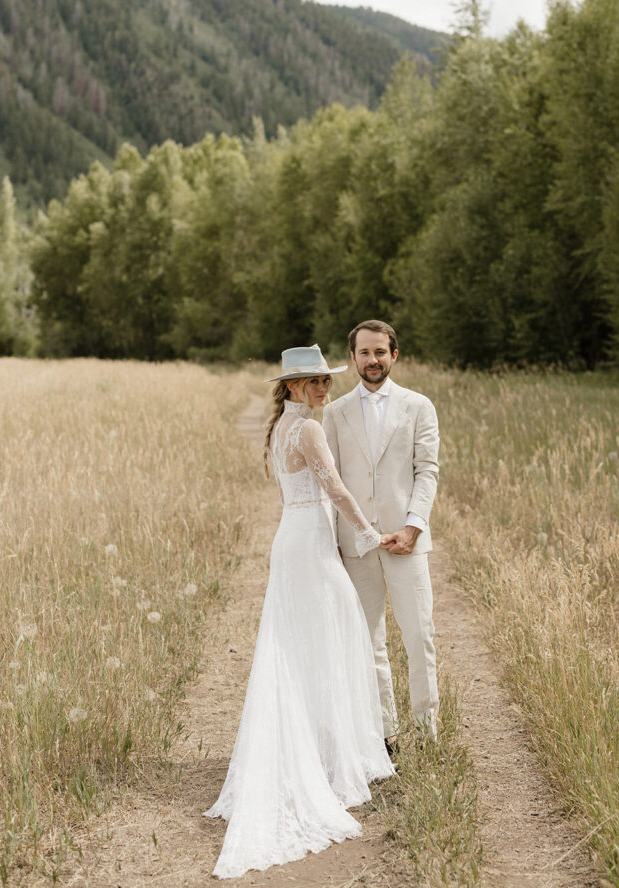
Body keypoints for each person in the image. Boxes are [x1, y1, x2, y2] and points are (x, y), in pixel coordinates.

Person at [204, 344, 395, 880]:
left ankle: (316, 746)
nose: (323, 388)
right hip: (308, 542)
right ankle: (328, 757)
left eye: (325, 380)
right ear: (291, 386)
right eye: (313, 381)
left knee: (304, 639)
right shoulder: (307, 429)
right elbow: (335, 489)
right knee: (331, 634)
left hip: (295, 537)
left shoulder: (280, 428)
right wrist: (369, 533)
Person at [322, 320, 440, 750]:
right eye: (364, 353)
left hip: (406, 540)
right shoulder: (334, 413)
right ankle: (384, 733)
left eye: (380, 352)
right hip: (356, 544)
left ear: (394, 355)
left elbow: (427, 471)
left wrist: (412, 527)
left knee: (419, 636)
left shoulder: (418, 406)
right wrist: (335, 540)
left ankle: (426, 732)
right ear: (352, 357)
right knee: (367, 640)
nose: (372, 360)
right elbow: (331, 482)